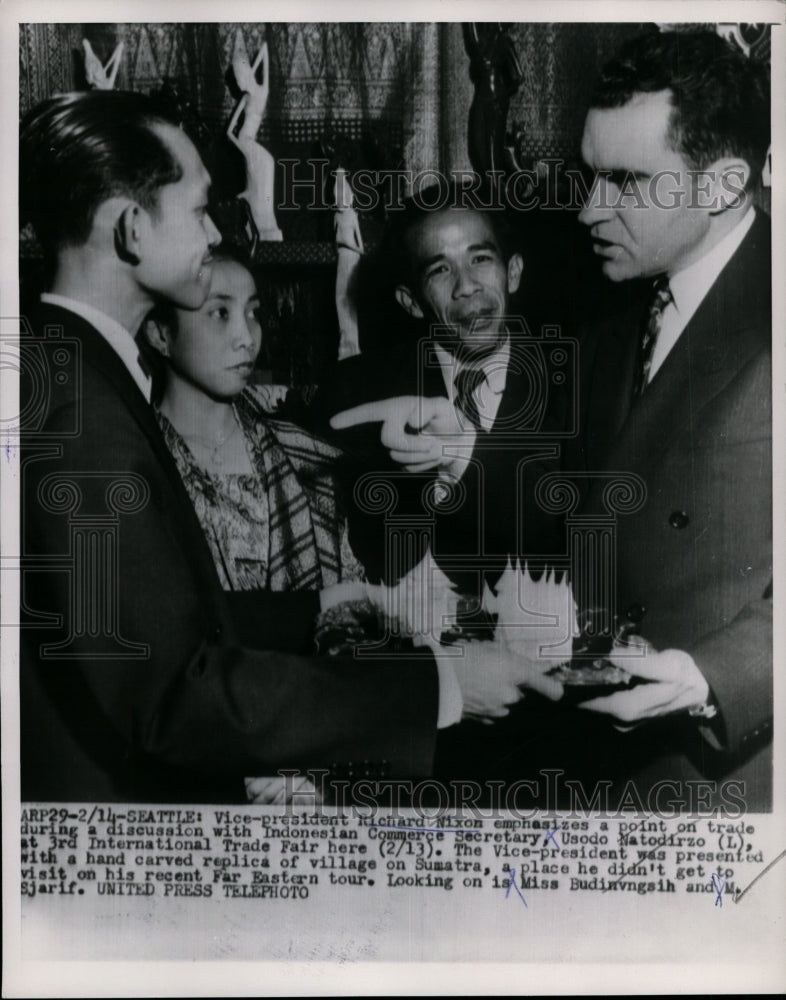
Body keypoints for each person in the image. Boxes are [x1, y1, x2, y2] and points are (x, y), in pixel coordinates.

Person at [19, 90, 560, 803]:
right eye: (200, 209)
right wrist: (439, 684)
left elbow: (137, 624)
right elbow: (174, 697)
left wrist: (316, 606)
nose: (215, 233)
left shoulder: (67, 370)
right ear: (130, 231)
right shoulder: (81, 411)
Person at [565, 30, 772, 809]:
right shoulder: (613, 317)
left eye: (625, 182)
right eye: (590, 176)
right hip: (608, 776)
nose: (589, 210)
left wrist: (708, 676)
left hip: (733, 783)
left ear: (721, 185)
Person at [326, 189, 570, 591]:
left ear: (513, 272)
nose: (466, 286)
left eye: (480, 259)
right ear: (411, 302)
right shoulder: (357, 391)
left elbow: (579, 530)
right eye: (439, 269)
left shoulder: (577, 382)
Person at [142, 245, 362, 595]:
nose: (247, 337)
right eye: (220, 313)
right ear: (160, 334)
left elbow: (350, 601)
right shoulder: (136, 462)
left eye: (253, 312)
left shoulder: (305, 457)